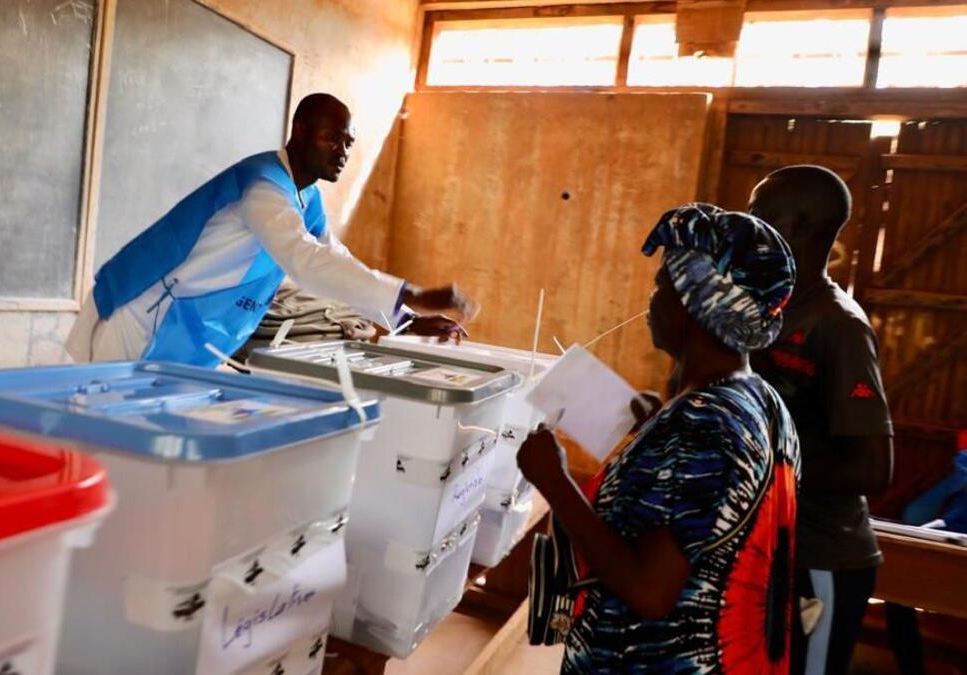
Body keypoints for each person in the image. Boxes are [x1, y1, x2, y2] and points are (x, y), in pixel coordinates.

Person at [519, 204, 800, 672]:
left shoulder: (703, 423)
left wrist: (554, 483)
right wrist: (656, 433)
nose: (651, 302)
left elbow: (649, 592)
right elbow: (702, 522)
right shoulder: (760, 401)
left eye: (662, 287)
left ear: (693, 305)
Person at [66, 93, 474, 366]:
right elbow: (305, 261)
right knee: (97, 437)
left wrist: (404, 319)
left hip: (187, 328)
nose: (343, 151)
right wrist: (413, 293)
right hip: (145, 317)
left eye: (348, 143)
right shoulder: (261, 184)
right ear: (299, 131)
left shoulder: (306, 199)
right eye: (333, 138)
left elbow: (334, 260)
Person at [747, 165, 894, 675]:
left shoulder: (839, 326)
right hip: (767, 550)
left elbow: (873, 468)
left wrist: (766, 465)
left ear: (802, 228)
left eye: (762, 214)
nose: (749, 223)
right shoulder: (769, 310)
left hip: (821, 557)